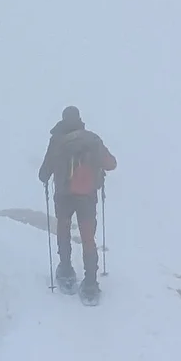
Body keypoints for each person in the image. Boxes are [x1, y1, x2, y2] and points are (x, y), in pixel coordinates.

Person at [38, 105, 116, 301]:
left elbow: (43, 174)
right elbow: (111, 164)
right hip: (87, 197)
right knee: (88, 238)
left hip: (64, 197)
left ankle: (66, 271)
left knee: (63, 232)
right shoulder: (92, 139)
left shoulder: (57, 141)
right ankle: (90, 283)